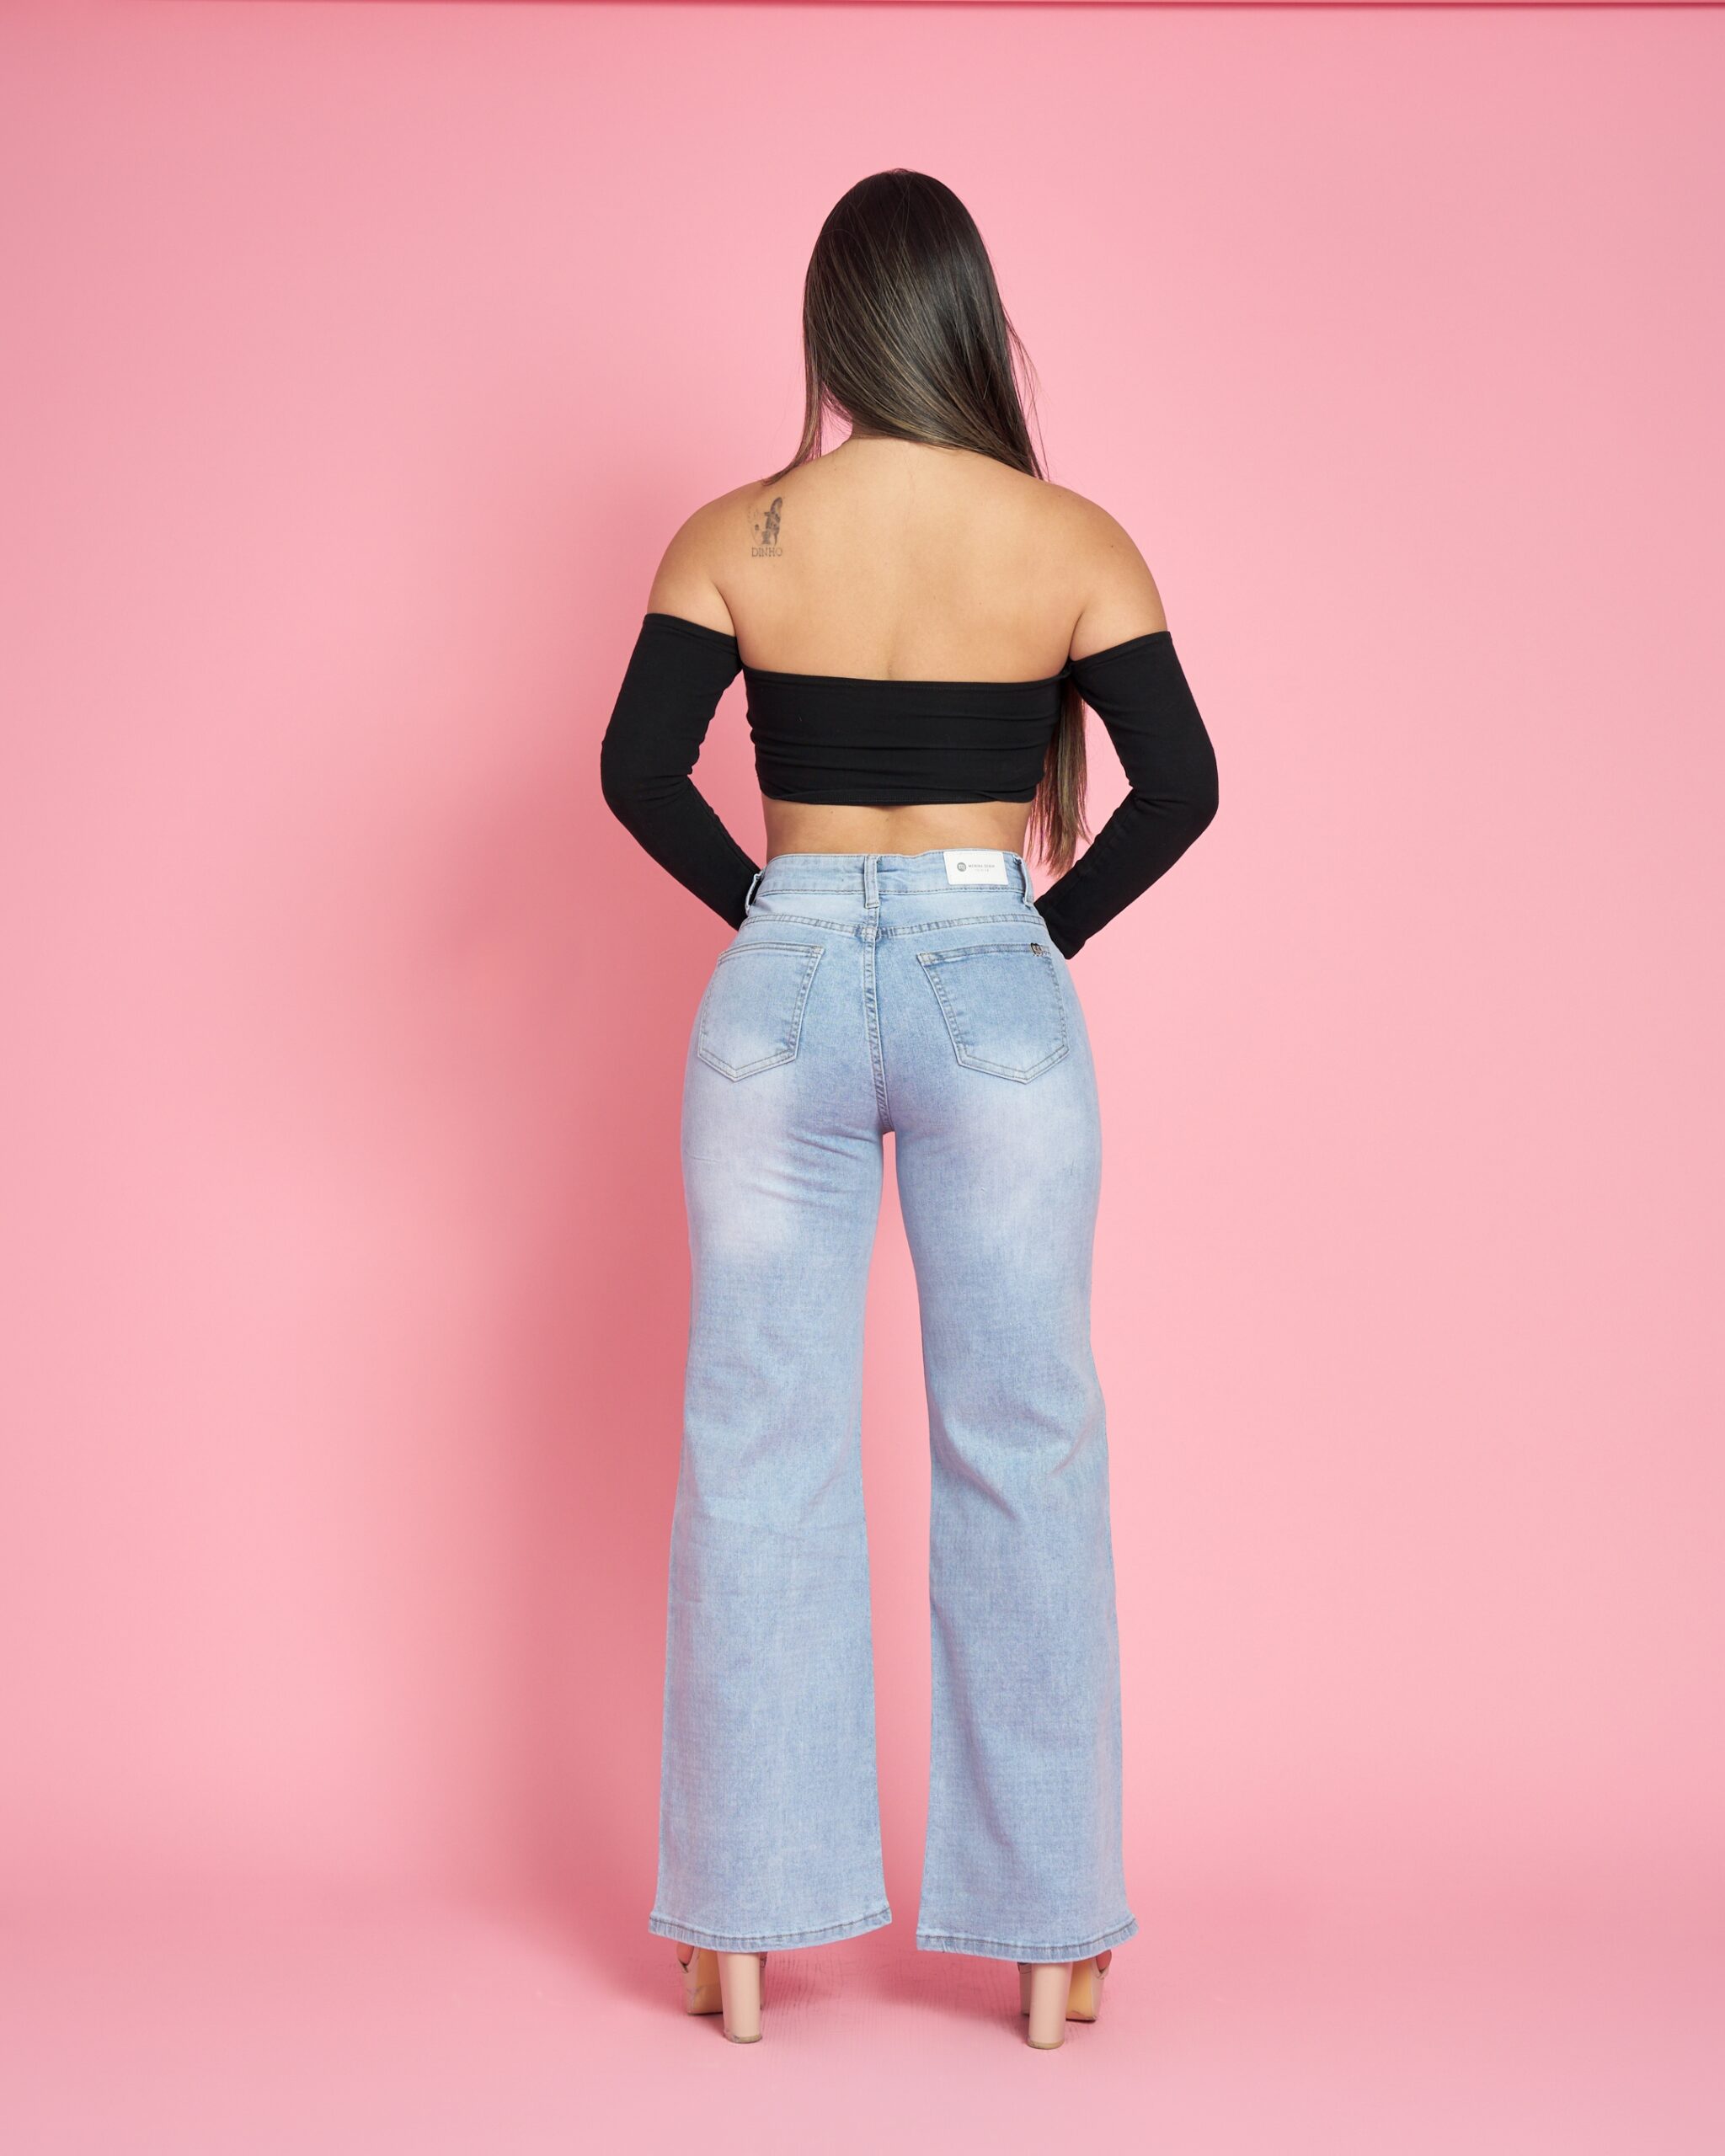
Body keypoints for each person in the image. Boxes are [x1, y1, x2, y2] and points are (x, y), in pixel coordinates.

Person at [599, 168, 1219, 2050]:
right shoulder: (1068, 536)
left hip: (780, 979)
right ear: (966, 316)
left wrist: (773, 913)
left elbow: (635, 769)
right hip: (986, 972)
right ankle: (1047, 1935)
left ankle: (740, 1934)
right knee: (1024, 1441)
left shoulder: (738, 530)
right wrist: (1035, 940)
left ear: (832, 327)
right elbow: (1183, 786)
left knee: (755, 1444)